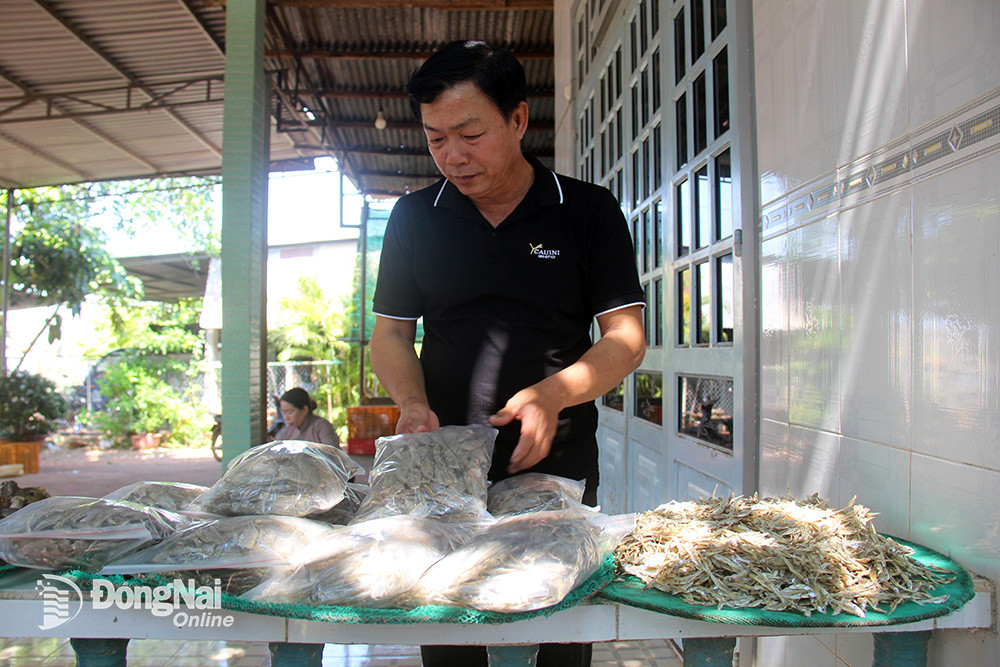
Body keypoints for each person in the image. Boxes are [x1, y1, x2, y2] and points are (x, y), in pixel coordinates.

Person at [369, 40, 646, 667]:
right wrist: (411, 403)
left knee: (563, 633)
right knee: (445, 630)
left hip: (557, 458)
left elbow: (626, 339)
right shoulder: (415, 217)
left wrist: (553, 394)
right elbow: (389, 335)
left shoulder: (587, 211)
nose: (454, 157)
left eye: (470, 133)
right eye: (436, 139)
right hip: (441, 463)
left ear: (518, 119)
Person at [272, 387, 339, 446]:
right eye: (283, 412)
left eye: (289, 412)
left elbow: (332, 454)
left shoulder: (321, 427)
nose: (286, 417)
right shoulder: (287, 431)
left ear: (304, 410)